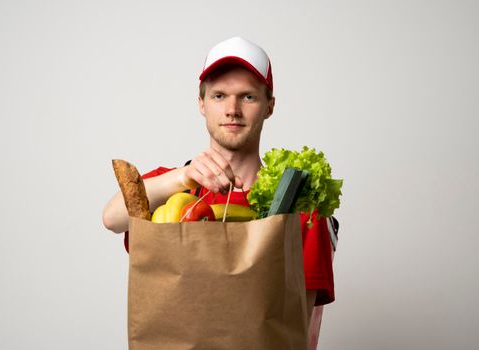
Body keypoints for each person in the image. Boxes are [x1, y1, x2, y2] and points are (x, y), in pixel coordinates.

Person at [102, 36, 335, 324]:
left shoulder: (301, 208)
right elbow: (112, 218)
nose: (232, 109)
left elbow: (304, 327)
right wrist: (183, 176)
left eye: (248, 96)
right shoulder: (172, 189)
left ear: (269, 106)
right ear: (202, 104)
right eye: (219, 96)